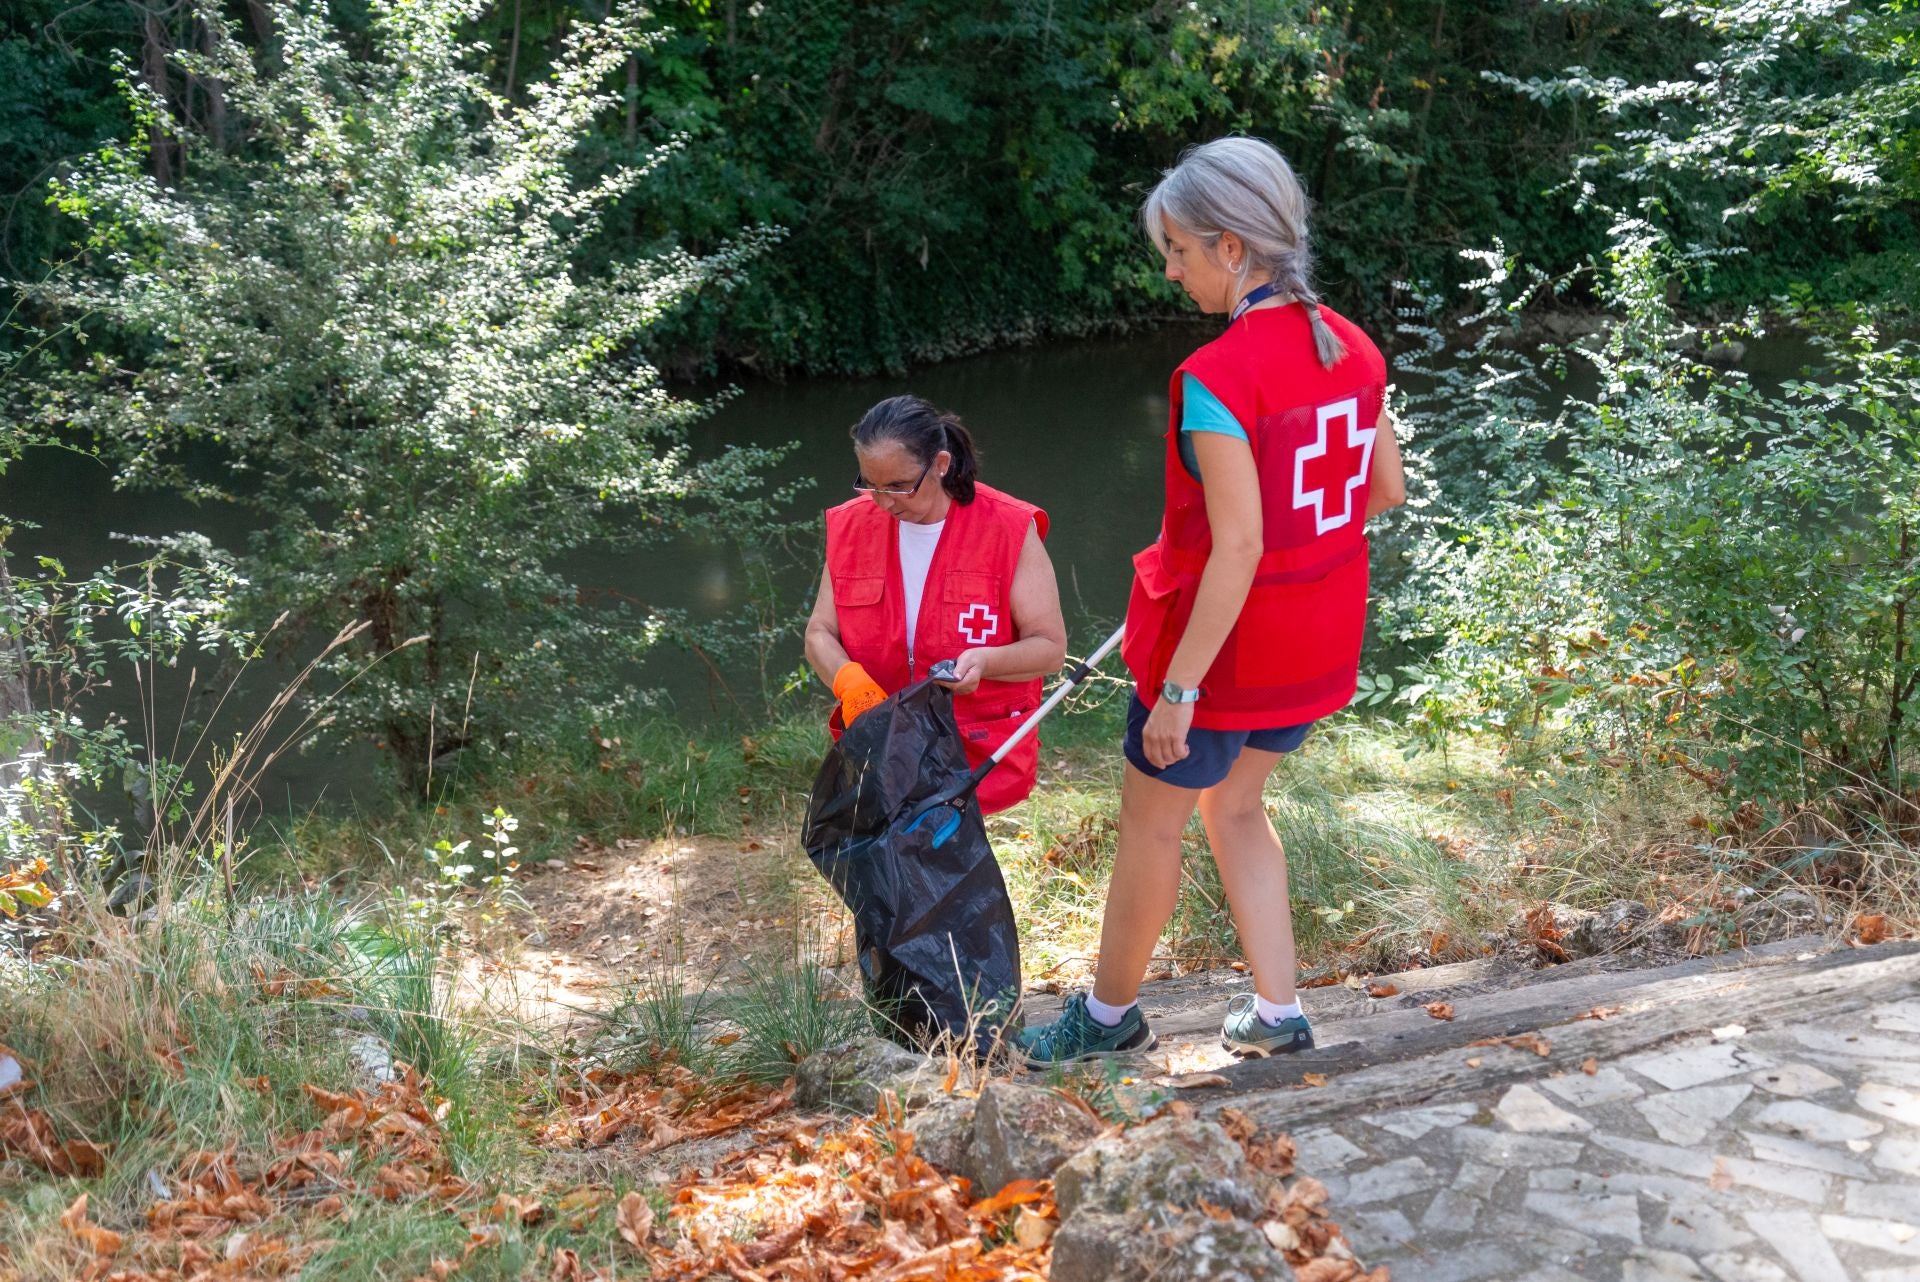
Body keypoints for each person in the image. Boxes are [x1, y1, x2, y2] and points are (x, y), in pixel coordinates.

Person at [1017, 137, 1407, 1065]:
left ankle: (1107, 1020)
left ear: (1232, 248)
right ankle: (1278, 1011)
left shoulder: (1217, 377)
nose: (1171, 270)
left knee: (1151, 827)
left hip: (1219, 658)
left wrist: (1179, 691)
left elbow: (1238, 546)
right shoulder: (1354, 347)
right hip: (1311, 646)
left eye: (1179, 250)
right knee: (1236, 807)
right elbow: (1385, 491)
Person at [805, 394, 1068, 815]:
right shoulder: (851, 526)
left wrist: (985, 662)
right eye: (870, 484)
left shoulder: (1008, 528)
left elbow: (1050, 648)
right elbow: (820, 632)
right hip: (880, 748)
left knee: (954, 853)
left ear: (941, 464)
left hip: (973, 756)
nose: (884, 502)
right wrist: (848, 681)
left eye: (899, 486)